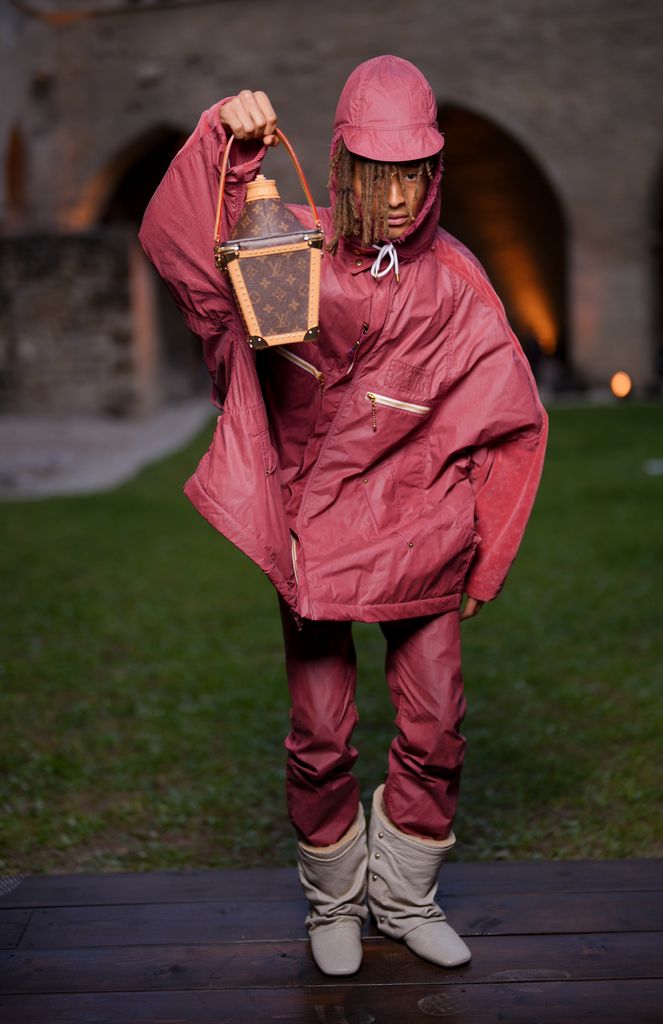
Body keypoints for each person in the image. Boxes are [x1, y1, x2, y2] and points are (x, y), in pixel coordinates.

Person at [139, 55, 548, 977]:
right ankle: (334, 898)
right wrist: (228, 147)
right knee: (321, 729)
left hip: (426, 527)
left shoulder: (457, 280)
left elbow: (511, 418)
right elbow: (186, 257)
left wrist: (487, 556)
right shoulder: (290, 247)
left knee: (436, 719)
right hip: (314, 531)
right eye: (378, 170)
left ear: (433, 172)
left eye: (414, 171)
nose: (397, 195)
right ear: (344, 166)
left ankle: (405, 896)